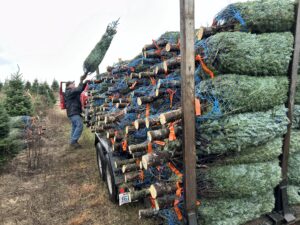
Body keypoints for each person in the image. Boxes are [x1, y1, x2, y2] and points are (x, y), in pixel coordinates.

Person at [64, 74, 87, 149]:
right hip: (73, 112)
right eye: (73, 84)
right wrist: (81, 80)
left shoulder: (71, 91)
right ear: (68, 86)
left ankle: (72, 141)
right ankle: (74, 141)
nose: (74, 85)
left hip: (72, 112)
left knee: (74, 127)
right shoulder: (69, 92)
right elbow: (78, 90)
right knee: (79, 125)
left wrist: (84, 82)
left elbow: (80, 89)